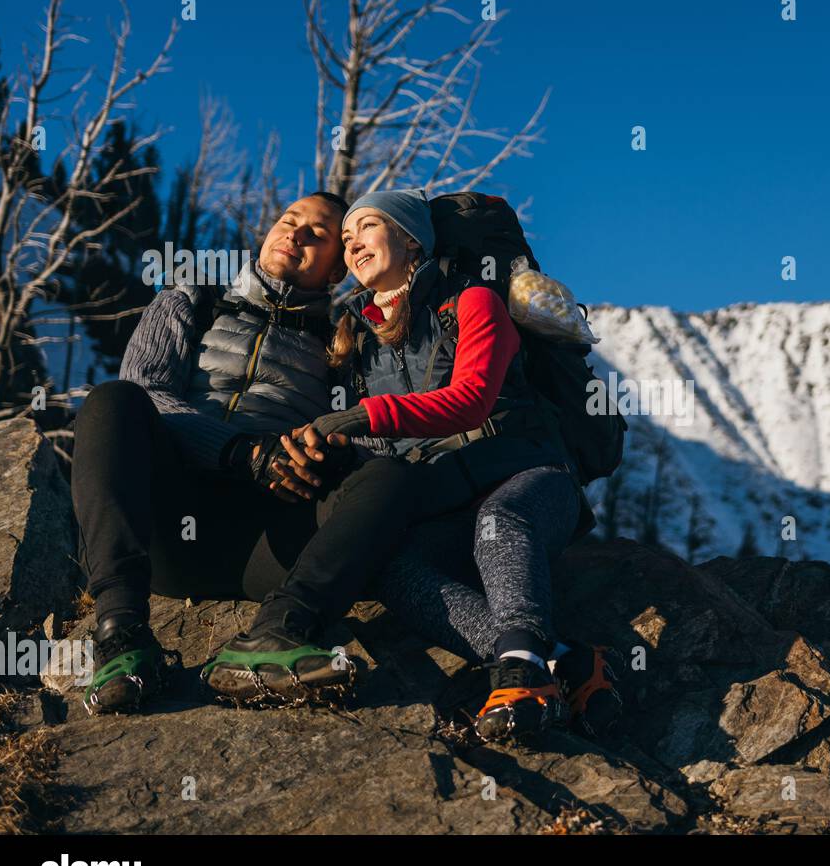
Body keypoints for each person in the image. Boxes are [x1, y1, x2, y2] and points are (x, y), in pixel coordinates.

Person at [292, 188, 621, 741]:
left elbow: (471, 399)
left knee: (501, 523)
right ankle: (563, 661)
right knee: (392, 570)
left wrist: (358, 418)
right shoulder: (355, 334)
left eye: (367, 227)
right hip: (444, 500)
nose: (352, 245)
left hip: (531, 479)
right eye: (345, 239)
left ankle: (522, 678)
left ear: (410, 237)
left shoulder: (472, 302)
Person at [71, 192, 416, 713]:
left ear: (336, 271)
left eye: (317, 234)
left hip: (269, 543)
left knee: (390, 477)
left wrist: (329, 451)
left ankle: (278, 631)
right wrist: (239, 452)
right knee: (112, 401)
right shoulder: (193, 298)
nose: (295, 234)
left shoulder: (348, 337)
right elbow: (147, 391)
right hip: (165, 523)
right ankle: (122, 635)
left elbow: (371, 434)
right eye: (288, 221)